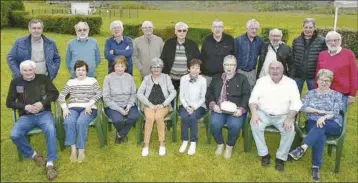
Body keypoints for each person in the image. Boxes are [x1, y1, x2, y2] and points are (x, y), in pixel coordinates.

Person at [6, 60, 59, 180]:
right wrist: (25, 106)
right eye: (25, 70)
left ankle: (50, 163)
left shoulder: (43, 78)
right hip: (26, 116)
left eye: (30, 70)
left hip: (44, 113)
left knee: (50, 129)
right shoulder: (15, 82)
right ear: (21, 71)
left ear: (34, 70)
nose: (28, 73)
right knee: (14, 135)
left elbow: (54, 94)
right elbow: (9, 102)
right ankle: (34, 155)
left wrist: (42, 103)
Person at [289, 69, 343, 182]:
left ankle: (303, 147)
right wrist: (318, 112)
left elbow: (336, 111)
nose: (324, 83)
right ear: (317, 80)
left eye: (327, 81)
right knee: (320, 135)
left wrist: (324, 117)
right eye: (322, 80)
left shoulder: (336, 95)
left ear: (331, 82)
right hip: (313, 122)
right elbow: (303, 107)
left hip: (332, 123)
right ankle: (316, 167)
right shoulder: (310, 93)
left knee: (321, 126)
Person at [249, 61, 302, 172]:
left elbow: (296, 103)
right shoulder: (261, 81)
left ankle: (280, 158)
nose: (275, 70)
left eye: (278, 68)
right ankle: (264, 154)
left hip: (283, 115)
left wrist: (290, 118)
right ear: (269, 70)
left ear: (283, 70)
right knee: (254, 124)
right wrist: (254, 113)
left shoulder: (291, 83)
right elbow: (253, 99)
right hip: (264, 113)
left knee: (289, 129)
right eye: (272, 68)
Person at [205, 55, 250, 159]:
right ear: (223, 65)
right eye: (227, 64)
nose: (229, 67)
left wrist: (241, 109)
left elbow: (246, 95)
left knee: (234, 126)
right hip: (219, 109)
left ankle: (229, 146)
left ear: (236, 66)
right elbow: (209, 93)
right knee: (214, 124)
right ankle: (220, 143)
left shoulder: (242, 79)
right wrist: (213, 105)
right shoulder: (216, 77)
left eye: (232, 64)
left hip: (235, 111)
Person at [58, 60, 102, 163]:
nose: (81, 72)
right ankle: (73, 150)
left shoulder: (92, 81)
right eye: (78, 70)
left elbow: (100, 93)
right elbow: (61, 96)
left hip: (88, 108)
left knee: (81, 122)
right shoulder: (71, 82)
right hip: (73, 107)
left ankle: (81, 149)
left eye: (83, 70)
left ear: (87, 71)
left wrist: (90, 103)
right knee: (69, 121)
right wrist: (64, 108)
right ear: (75, 71)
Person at [137, 58, 177, 157]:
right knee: (150, 118)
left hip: (163, 105)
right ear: (151, 68)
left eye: (158, 67)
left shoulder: (166, 77)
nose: (156, 69)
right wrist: (149, 104)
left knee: (159, 117)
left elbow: (173, 92)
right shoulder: (146, 78)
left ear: (161, 68)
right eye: (154, 67)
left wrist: (163, 104)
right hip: (149, 105)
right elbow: (139, 93)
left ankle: (162, 143)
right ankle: (146, 145)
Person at [315, 31, 357, 113]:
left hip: (342, 94)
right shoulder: (322, 54)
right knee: (323, 115)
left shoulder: (348, 54)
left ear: (340, 41)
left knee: (338, 119)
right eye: (330, 41)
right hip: (324, 91)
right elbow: (318, 74)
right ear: (326, 42)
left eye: (335, 40)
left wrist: (352, 94)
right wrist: (316, 89)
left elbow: (354, 75)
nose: (333, 43)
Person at [103, 56, 139, 144]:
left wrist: (130, 105)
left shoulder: (129, 77)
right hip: (114, 106)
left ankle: (120, 134)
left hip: (128, 104)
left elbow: (133, 93)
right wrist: (119, 109)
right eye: (117, 66)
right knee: (118, 120)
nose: (120, 68)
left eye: (122, 66)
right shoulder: (108, 78)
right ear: (114, 67)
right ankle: (123, 134)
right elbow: (106, 97)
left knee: (134, 116)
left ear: (125, 67)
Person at [178, 59, 207, 155]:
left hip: (199, 106)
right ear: (188, 69)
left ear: (200, 70)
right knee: (185, 116)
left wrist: (194, 107)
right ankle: (185, 140)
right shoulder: (183, 79)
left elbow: (203, 97)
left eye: (197, 68)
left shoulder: (203, 80)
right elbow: (181, 95)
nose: (195, 70)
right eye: (193, 68)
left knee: (193, 117)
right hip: (185, 105)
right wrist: (186, 107)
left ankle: (193, 142)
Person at [291, 18, 327, 95]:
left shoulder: (322, 41)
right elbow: (292, 57)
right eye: (306, 27)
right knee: (295, 96)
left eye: (310, 27)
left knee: (314, 97)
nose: (308, 29)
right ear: (303, 28)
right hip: (298, 75)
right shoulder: (296, 40)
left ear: (314, 28)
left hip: (314, 75)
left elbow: (325, 58)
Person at [161, 22, 200, 90]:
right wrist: (166, 75)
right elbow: (163, 59)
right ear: (175, 32)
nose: (182, 32)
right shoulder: (169, 43)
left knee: (186, 99)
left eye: (184, 30)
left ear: (187, 31)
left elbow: (198, 61)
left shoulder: (193, 44)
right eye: (179, 30)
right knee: (171, 99)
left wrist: (194, 74)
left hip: (187, 78)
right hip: (171, 78)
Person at [200, 19, 235, 87]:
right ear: (212, 29)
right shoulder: (206, 40)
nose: (217, 29)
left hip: (223, 77)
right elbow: (202, 57)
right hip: (208, 77)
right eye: (215, 27)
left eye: (220, 27)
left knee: (221, 97)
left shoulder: (229, 39)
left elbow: (234, 57)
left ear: (223, 28)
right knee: (207, 96)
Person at [234, 19, 264, 90]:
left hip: (252, 72)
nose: (254, 31)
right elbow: (233, 55)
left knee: (251, 91)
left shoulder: (260, 41)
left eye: (256, 29)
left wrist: (280, 42)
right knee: (238, 89)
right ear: (247, 29)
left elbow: (266, 50)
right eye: (252, 28)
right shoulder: (238, 40)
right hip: (240, 71)